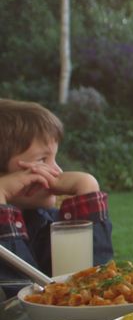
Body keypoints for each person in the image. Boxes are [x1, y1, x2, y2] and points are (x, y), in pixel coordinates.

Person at [0, 100, 113, 296]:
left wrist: (87, 187)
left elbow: (93, 288)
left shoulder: (43, 219)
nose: (58, 171)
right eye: (42, 160)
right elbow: (18, 300)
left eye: (54, 158)